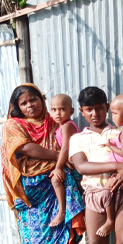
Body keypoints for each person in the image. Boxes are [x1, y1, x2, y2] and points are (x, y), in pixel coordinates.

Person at [0, 84, 86, 244]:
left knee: (68, 236)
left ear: (41, 100)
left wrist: (61, 165)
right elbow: (24, 147)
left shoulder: (54, 120)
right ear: (17, 107)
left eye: (33, 99)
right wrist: (57, 157)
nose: (30, 105)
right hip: (31, 193)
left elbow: (69, 143)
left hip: (58, 183)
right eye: (23, 103)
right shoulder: (13, 125)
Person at [69, 87, 123, 244]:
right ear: (81, 111)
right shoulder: (77, 138)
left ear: (107, 107)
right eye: (89, 109)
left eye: (100, 108)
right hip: (95, 193)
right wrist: (117, 167)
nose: (95, 114)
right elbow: (81, 166)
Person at [49, 94, 79, 227]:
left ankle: (62, 211)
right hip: (67, 162)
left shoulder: (68, 126)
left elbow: (66, 148)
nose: (57, 113)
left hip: (72, 163)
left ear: (71, 111)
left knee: (55, 179)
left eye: (62, 109)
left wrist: (59, 167)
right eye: (54, 110)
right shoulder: (60, 127)